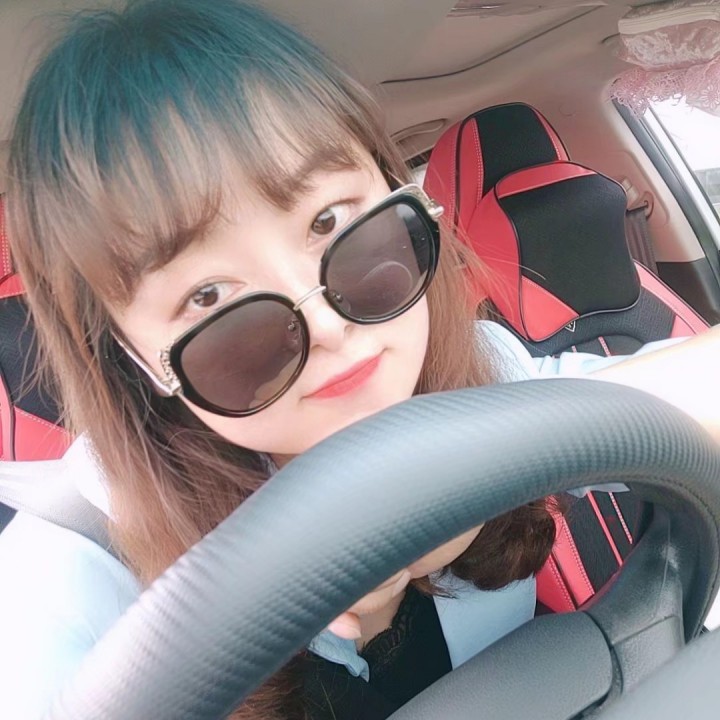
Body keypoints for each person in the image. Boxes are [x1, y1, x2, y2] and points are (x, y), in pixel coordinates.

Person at [2, 1, 720, 718]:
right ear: (132, 355)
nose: (325, 324)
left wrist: (462, 465)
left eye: (331, 221)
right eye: (208, 296)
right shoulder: (71, 572)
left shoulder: (479, 372)